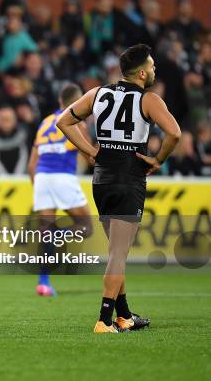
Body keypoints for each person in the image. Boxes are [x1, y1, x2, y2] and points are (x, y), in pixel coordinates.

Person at [57, 44, 181, 333]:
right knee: (118, 254)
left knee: (116, 251)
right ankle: (104, 319)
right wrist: (158, 160)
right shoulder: (149, 99)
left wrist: (91, 151)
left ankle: (124, 315)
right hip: (129, 178)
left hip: (101, 179)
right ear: (140, 73)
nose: (153, 71)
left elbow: (65, 121)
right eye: (151, 67)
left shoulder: (98, 93)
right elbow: (174, 133)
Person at [27, 83, 93, 297]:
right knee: (86, 227)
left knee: (45, 232)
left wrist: (38, 187)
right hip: (62, 176)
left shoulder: (45, 122)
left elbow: (31, 164)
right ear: (77, 102)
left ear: (59, 101)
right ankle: (58, 234)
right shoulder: (76, 122)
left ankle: (43, 282)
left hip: (42, 178)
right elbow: (91, 157)